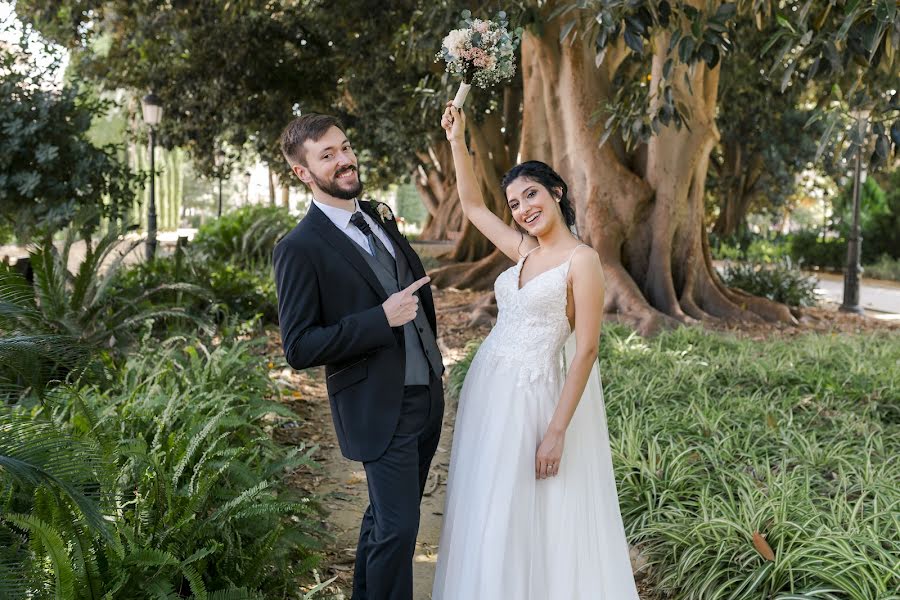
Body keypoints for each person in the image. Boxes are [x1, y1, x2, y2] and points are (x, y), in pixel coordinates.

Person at [432, 103, 640, 599]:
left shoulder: (582, 260)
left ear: (556, 193)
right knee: (490, 502)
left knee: (529, 504)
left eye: (532, 194)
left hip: (535, 398)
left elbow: (587, 349)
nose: (524, 208)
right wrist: (458, 140)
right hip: (490, 390)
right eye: (516, 203)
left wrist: (556, 431)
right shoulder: (523, 251)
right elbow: (474, 207)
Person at [272, 113, 444, 600]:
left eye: (344, 147)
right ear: (303, 173)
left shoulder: (376, 215)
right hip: (377, 408)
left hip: (426, 394)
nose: (345, 159)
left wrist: (434, 366)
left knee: (386, 519)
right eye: (327, 155)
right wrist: (379, 320)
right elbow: (299, 346)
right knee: (397, 530)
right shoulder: (298, 248)